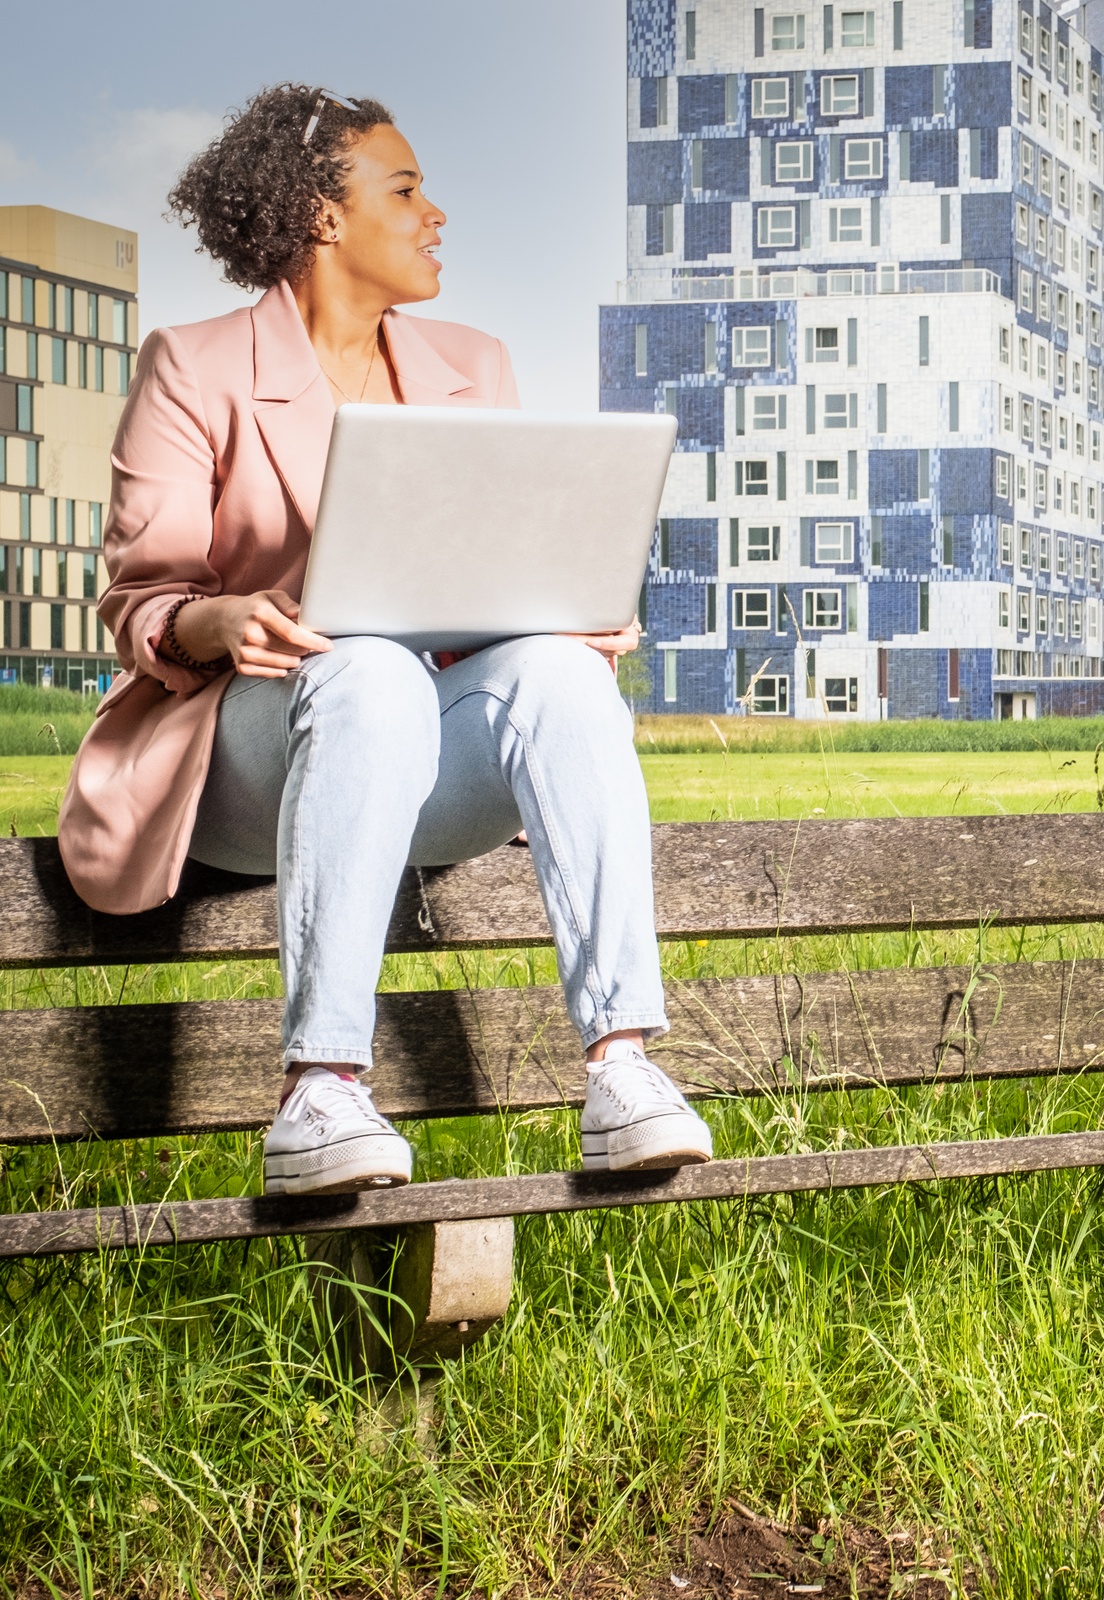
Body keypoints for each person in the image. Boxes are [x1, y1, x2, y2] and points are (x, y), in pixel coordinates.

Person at [62, 85, 714, 1196]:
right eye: (406, 189)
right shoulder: (193, 364)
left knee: (558, 671)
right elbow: (141, 599)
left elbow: (499, 564)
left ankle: (622, 1069)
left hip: (424, 749)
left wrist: (568, 604)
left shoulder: (476, 362)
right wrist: (213, 618)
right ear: (323, 215)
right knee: (360, 667)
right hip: (254, 749)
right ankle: (319, 1090)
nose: (435, 213)